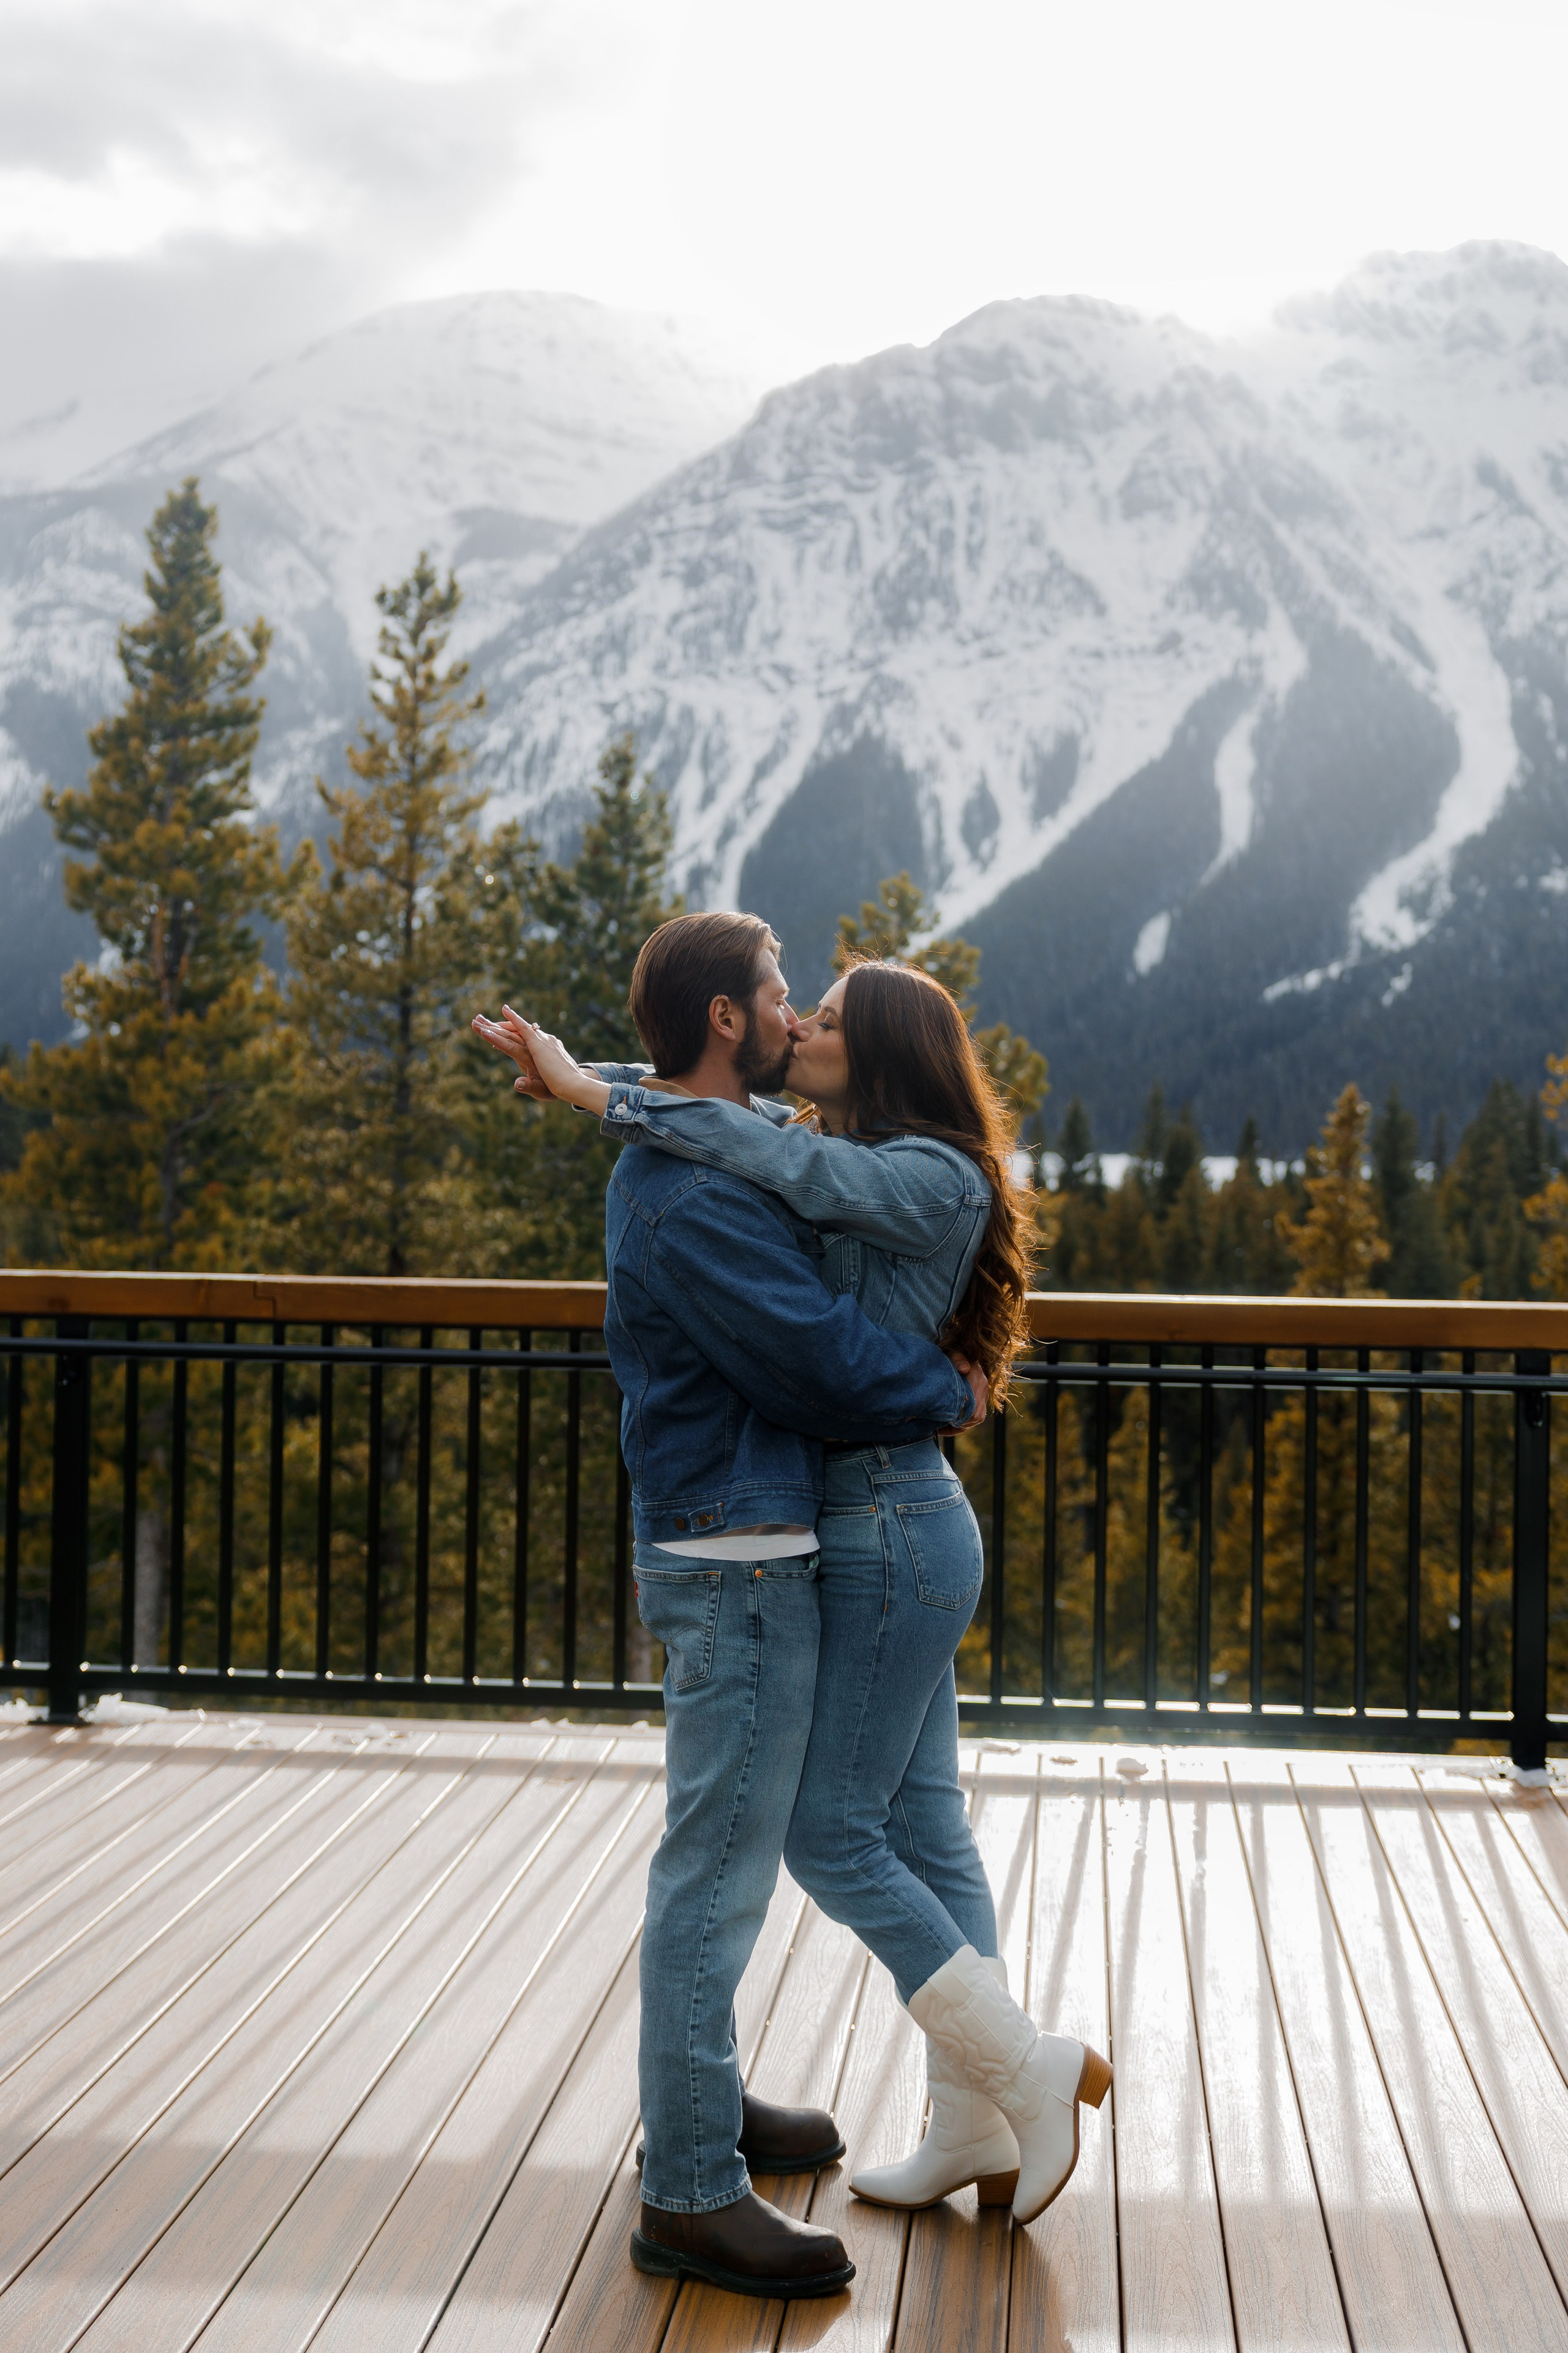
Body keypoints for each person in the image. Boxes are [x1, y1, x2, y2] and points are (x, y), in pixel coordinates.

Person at [477, 950, 1112, 2232]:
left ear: (877, 1052)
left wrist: (599, 1096)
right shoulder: (803, 1137)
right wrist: (580, 1079)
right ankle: (971, 2119)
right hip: (875, 1517)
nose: (799, 1023)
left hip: (885, 1515)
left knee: (831, 1833)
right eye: (788, 1002)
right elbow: (731, 1120)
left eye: (821, 1015)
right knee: (924, 1827)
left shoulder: (916, 1171)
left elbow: (781, 1186)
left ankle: (1016, 2072)